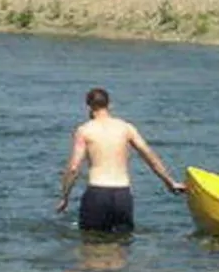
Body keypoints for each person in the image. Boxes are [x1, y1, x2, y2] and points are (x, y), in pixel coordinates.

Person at [57, 87, 185, 233]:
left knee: (91, 248)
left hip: (97, 193)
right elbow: (149, 156)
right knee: (122, 247)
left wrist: (65, 197)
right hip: (122, 195)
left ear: (88, 106)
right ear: (110, 105)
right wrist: (170, 182)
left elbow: (74, 167)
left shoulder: (84, 130)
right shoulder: (126, 128)